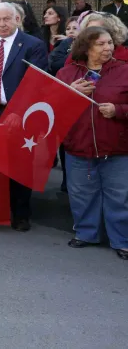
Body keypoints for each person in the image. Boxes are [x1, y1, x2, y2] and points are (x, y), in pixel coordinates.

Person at [56, 26, 128, 261]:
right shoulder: (66, 74)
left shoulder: (124, 71)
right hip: (78, 145)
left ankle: (122, 240)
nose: (108, 48)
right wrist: (69, 92)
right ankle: (86, 233)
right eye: (101, 44)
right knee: (81, 194)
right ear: (86, 48)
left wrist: (118, 110)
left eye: (110, 43)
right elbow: (50, 107)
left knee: (119, 196)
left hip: (116, 147)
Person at [0, 2, 49, 231]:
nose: (2, 24)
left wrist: (18, 111)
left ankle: (20, 214)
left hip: (20, 113)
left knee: (19, 164)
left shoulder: (33, 45)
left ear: (17, 19)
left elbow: (37, 83)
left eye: (6, 19)